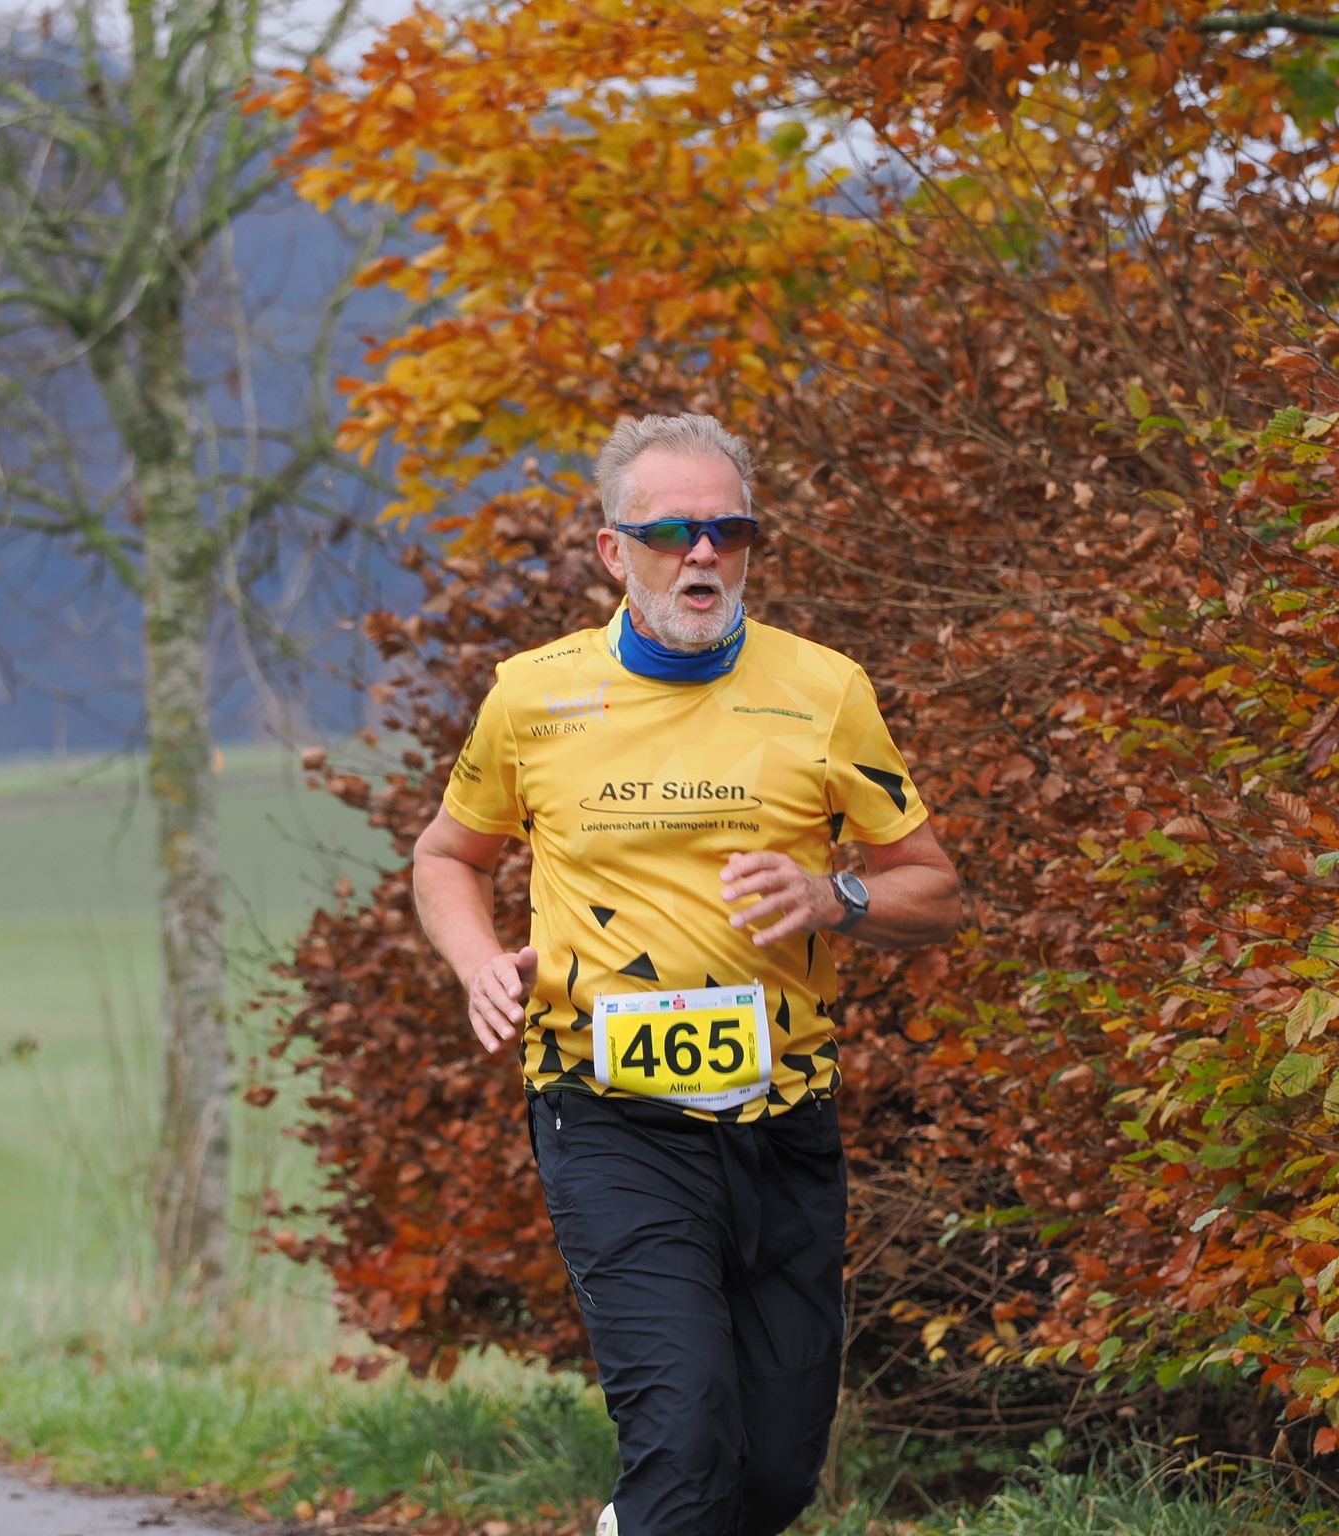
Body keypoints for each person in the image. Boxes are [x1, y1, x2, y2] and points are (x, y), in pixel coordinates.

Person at [410, 412, 962, 1536]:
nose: (701, 553)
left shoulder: (824, 689)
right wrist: (477, 965)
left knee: (774, 1473)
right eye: (669, 532)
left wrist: (835, 897)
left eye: (728, 530)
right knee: (685, 1432)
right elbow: (447, 856)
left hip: (784, 1117)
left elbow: (935, 890)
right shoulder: (532, 696)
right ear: (613, 552)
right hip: (607, 1116)